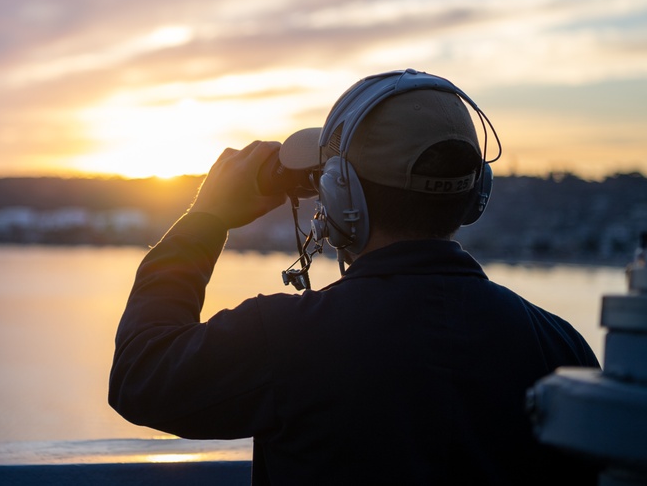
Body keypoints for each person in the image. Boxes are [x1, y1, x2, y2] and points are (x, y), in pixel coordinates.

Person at [109, 69, 601, 485]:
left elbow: (140, 374)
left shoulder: (286, 341)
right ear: (477, 194)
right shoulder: (562, 353)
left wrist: (208, 216)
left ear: (343, 196)